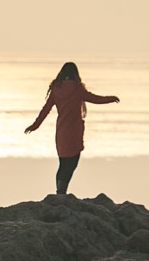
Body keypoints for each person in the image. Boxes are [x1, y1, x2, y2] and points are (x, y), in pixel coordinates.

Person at [24, 62, 119, 196]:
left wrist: (35, 126)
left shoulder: (56, 90)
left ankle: (60, 191)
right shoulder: (78, 89)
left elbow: (45, 110)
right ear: (75, 74)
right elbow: (95, 99)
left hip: (62, 132)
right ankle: (62, 191)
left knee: (63, 163)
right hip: (74, 132)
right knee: (72, 162)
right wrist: (111, 99)